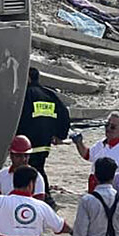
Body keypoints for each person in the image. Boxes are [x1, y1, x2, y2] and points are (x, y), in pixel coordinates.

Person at [17, 67, 70, 209]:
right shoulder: (49, 94)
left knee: (34, 169)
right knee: (38, 166)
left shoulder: (26, 95)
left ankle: (45, 198)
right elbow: (64, 113)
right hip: (45, 142)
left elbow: (20, 117)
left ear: (28, 78)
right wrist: (60, 135)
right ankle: (41, 198)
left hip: (29, 141)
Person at [71, 111, 119, 193]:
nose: (108, 129)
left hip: (111, 192)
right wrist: (79, 143)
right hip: (94, 188)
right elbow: (87, 155)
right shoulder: (101, 143)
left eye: (113, 127)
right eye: (107, 125)